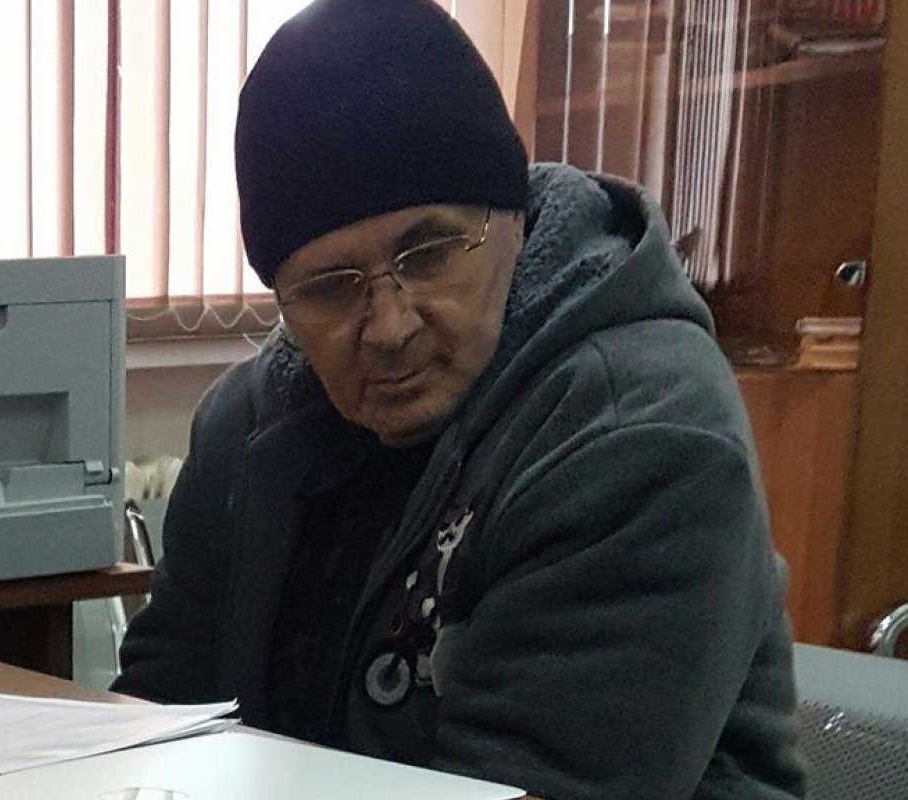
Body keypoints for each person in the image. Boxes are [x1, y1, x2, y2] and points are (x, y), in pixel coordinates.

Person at [110, 2, 806, 798]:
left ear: (514, 219)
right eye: (330, 288)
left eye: (430, 251)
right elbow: (163, 720)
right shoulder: (244, 429)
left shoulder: (638, 435)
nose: (390, 326)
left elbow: (534, 788)